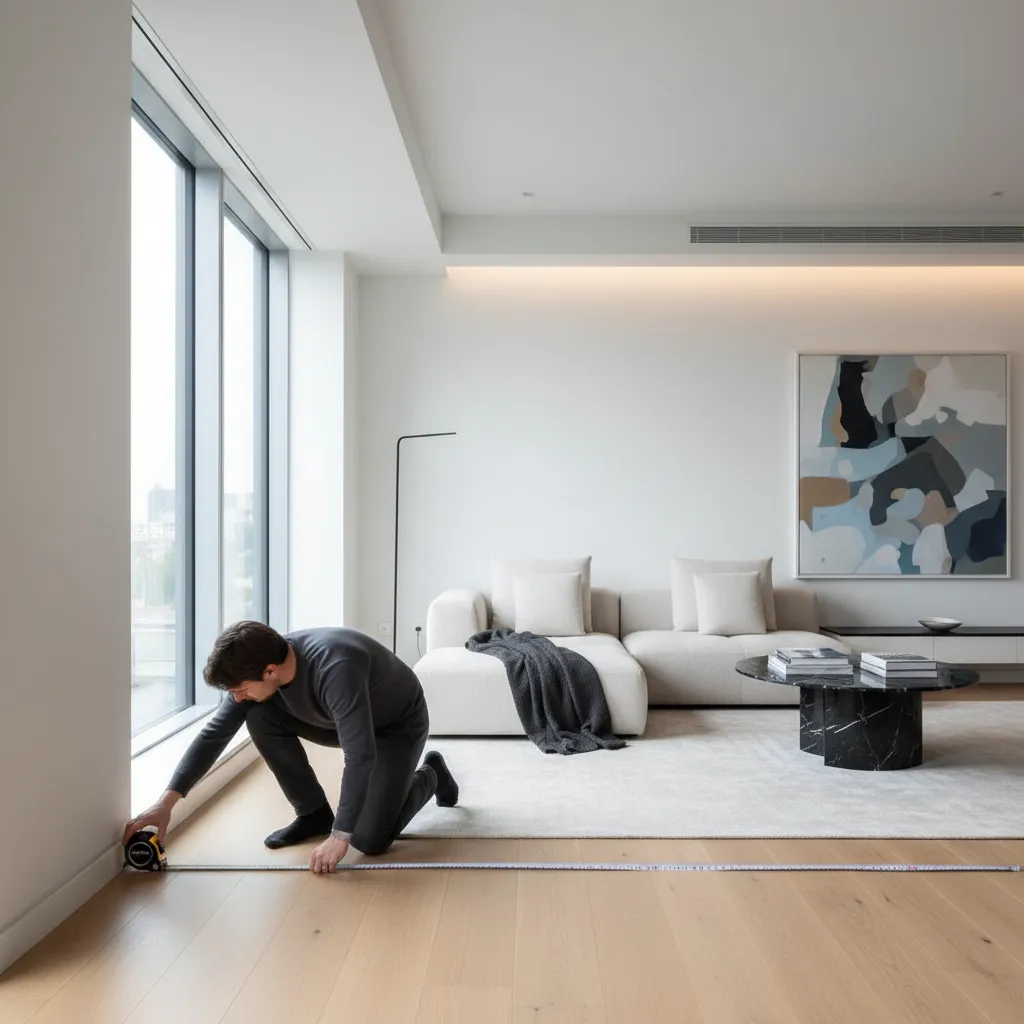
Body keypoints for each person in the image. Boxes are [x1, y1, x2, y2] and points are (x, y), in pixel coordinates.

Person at [123, 621, 458, 875]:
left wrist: (340, 836)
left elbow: (361, 755)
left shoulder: (336, 668)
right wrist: (166, 803)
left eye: (239, 689)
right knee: (257, 715)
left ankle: (431, 773)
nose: (235, 696)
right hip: (334, 720)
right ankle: (312, 815)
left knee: (369, 840)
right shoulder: (260, 666)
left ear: (270, 670)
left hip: (393, 727)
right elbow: (215, 733)